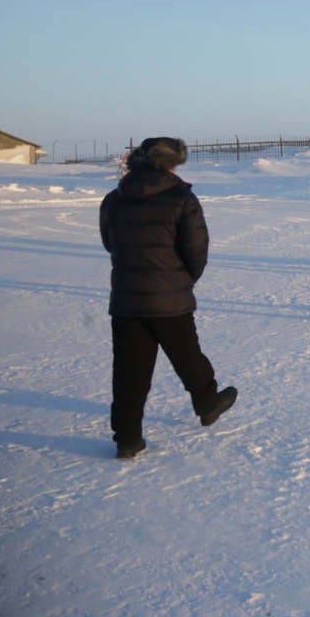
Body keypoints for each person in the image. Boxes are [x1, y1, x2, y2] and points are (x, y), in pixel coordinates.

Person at [99, 137, 237, 459]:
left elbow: (110, 243)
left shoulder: (112, 199)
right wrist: (180, 281)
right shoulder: (182, 198)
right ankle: (207, 404)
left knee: (129, 371)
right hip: (169, 297)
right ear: (168, 165)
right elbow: (196, 251)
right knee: (189, 357)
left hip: (127, 299)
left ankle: (127, 438)